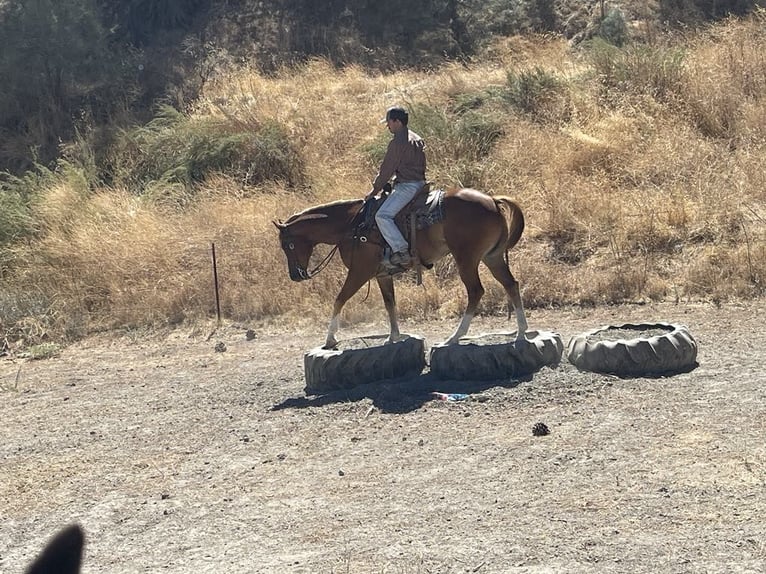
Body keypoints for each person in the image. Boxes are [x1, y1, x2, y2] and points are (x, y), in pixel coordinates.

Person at [365, 106, 427, 268]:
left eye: (389, 122)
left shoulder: (398, 142)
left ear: (397, 122)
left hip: (407, 186)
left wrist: (374, 191)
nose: (388, 126)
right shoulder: (416, 138)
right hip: (421, 184)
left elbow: (386, 171)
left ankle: (401, 251)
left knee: (382, 216)